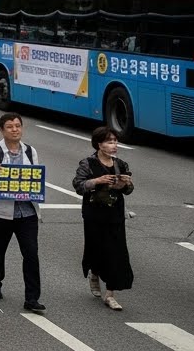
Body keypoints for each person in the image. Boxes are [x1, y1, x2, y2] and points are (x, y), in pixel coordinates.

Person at [0, 112, 44, 314]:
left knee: (31, 253)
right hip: (2, 211)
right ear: (2, 130)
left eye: (18, 126)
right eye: (10, 126)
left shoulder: (30, 151)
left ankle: (32, 298)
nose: (15, 130)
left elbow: (35, 177)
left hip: (27, 211)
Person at [72, 126, 134, 310]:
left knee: (116, 252)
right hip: (94, 213)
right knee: (96, 248)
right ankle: (94, 272)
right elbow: (78, 185)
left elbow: (128, 190)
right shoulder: (88, 163)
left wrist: (124, 184)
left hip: (115, 214)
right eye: (109, 141)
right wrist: (97, 181)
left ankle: (110, 294)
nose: (114, 145)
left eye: (115, 141)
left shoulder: (120, 164)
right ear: (99, 144)